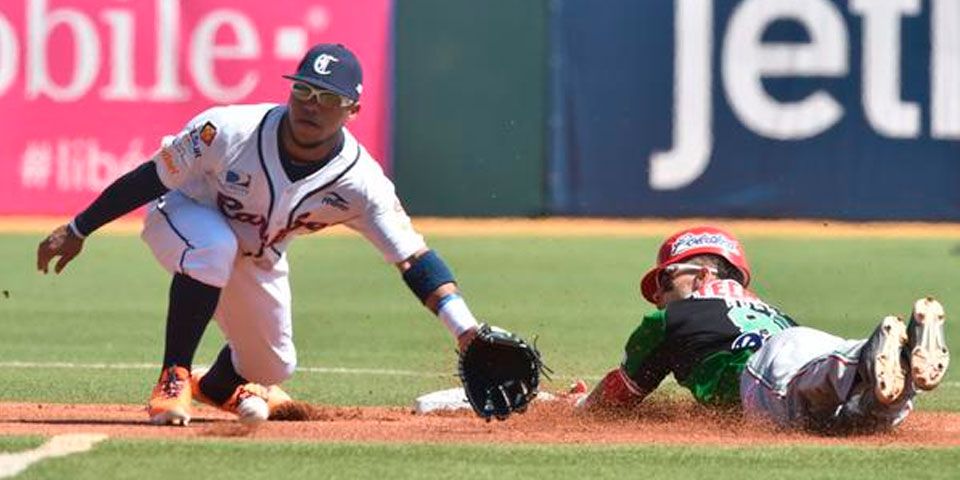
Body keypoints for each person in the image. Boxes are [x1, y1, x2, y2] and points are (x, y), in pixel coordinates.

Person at [36, 43, 504, 426]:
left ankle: (215, 386)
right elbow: (151, 178)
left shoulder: (362, 183)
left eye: (329, 98)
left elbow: (413, 258)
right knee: (213, 246)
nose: (311, 105)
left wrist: (465, 330)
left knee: (273, 366)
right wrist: (79, 228)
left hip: (255, 254)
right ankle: (173, 376)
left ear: (353, 110)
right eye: (304, 89)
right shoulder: (226, 130)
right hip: (181, 215)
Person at [574, 226, 950, 432]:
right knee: (857, 418)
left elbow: (617, 397)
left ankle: (868, 354)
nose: (658, 296)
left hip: (760, 372)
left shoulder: (671, 318)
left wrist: (578, 405)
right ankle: (901, 360)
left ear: (702, 275)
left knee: (808, 381)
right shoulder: (772, 311)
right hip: (806, 343)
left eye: (665, 278)